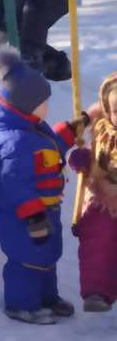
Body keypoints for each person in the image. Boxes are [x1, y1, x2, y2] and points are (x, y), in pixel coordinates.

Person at [0, 49, 91, 324]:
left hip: (44, 210)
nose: (48, 107)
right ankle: (21, 304)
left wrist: (74, 127)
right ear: (26, 104)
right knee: (26, 260)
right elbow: (15, 183)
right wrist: (33, 215)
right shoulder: (14, 143)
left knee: (47, 256)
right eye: (44, 102)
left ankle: (47, 297)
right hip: (22, 217)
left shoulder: (32, 129)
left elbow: (53, 146)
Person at [67, 71, 117, 312]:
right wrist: (81, 159)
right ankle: (96, 292)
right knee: (98, 233)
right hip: (103, 198)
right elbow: (89, 162)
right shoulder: (100, 132)